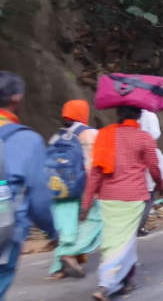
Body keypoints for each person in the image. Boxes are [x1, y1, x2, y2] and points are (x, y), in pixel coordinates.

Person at [81, 106, 162, 301]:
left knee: (117, 238)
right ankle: (105, 284)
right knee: (123, 240)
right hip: (133, 196)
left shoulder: (104, 135)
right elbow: (154, 167)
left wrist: (86, 202)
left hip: (108, 197)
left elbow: (96, 173)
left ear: (117, 114)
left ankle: (127, 280)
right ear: (139, 115)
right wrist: (161, 185)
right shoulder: (144, 138)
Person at [0, 72, 59, 299]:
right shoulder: (26, 140)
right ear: (16, 99)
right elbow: (40, 200)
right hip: (5, 234)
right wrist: (52, 231)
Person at [49, 100, 102, 280]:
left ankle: (58, 269)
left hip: (60, 186)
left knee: (66, 227)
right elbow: (94, 164)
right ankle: (69, 254)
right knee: (97, 220)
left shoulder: (56, 136)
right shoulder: (91, 134)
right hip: (84, 185)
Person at [137, 110, 163, 236]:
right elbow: (155, 134)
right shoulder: (150, 116)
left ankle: (133, 225)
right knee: (149, 195)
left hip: (134, 155)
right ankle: (139, 226)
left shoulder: (130, 115)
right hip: (149, 152)